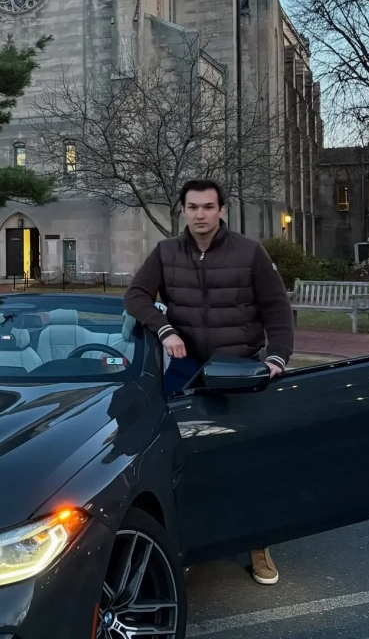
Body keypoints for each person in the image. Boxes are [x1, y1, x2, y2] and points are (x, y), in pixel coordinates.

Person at [123, 179, 294, 586]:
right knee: (178, 456)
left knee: (249, 458)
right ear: (183, 210)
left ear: (221, 211)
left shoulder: (249, 252)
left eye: (208, 207)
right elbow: (136, 296)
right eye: (193, 207)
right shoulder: (166, 252)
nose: (200, 214)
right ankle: (187, 541)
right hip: (187, 367)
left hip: (238, 367)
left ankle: (257, 543)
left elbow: (277, 309)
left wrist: (276, 358)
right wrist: (165, 329)